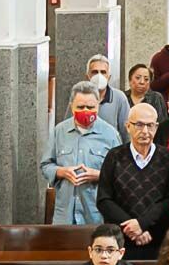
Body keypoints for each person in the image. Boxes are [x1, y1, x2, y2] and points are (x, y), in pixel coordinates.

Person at [98, 103, 169, 260]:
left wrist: (142, 224)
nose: (145, 131)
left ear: (156, 127)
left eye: (150, 125)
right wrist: (132, 227)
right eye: (139, 125)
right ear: (128, 126)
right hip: (121, 241)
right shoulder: (114, 157)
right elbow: (104, 200)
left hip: (156, 238)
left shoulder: (168, 158)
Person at [42, 82, 121, 224]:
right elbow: (46, 165)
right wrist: (62, 172)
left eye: (90, 107)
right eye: (80, 107)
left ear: (98, 105)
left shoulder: (111, 134)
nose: (85, 111)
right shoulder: (59, 131)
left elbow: (121, 175)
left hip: (96, 216)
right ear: (72, 106)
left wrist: (99, 175)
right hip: (64, 216)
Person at [86, 54, 131, 135]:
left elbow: (126, 131)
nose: (99, 76)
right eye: (95, 72)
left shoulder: (119, 98)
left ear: (108, 77)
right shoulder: (78, 96)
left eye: (103, 72)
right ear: (87, 76)